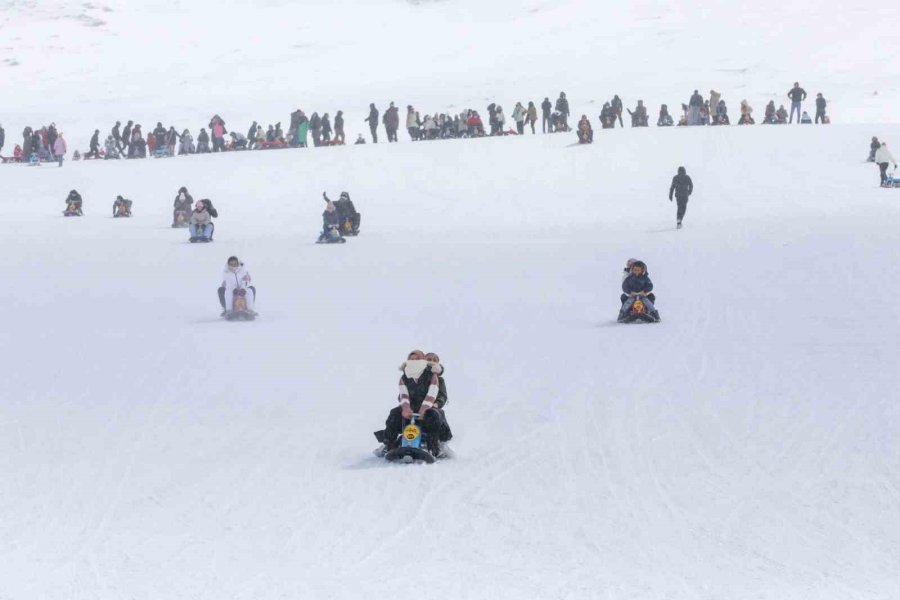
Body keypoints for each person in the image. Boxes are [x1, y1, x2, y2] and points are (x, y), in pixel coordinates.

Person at [375, 350, 447, 456]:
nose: (414, 362)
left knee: (434, 415)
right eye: (411, 359)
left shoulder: (432, 377)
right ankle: (389, 444)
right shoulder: (406, 376)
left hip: (429, 407)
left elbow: (440, 395)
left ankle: (434, 447)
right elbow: (403, 395)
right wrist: (405, 407)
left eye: (417, 359)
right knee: (394, 413)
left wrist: (434, 405)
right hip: (410, 407)